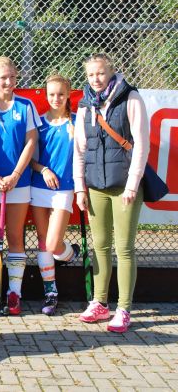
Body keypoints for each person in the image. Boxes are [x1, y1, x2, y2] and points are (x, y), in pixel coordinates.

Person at [74, 53, 149, 333]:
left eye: (101, 73)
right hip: (95, 186)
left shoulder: (131, 98)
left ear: (111, 72)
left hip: (124, 187)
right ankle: (99, 303)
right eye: (91, 74)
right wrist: (80, 187)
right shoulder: (85, 104)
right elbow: (79, 149)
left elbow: (141, 145)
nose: (96, 79)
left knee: (124, 248)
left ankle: (124, 309)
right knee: (100, 246)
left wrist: (132, 185)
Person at [0, 56, 38, 315]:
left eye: (13, 77)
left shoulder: (25, 106)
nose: (9, 82)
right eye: (3, 77)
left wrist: (15, 175)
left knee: (14, 236)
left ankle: (14, 293)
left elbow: (31, 142)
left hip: (18, 183)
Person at [30, 74, 80, 316]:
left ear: (68, 94)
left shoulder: (77, 122)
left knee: (53, 244)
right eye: (51, 94)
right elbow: (30, 160)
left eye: (61, 94)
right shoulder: (39, 124)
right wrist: (44, 169)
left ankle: (70, 253)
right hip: (39, 187)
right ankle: (51, 293)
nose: (56, 98)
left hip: (64, 189)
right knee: (43, 242)